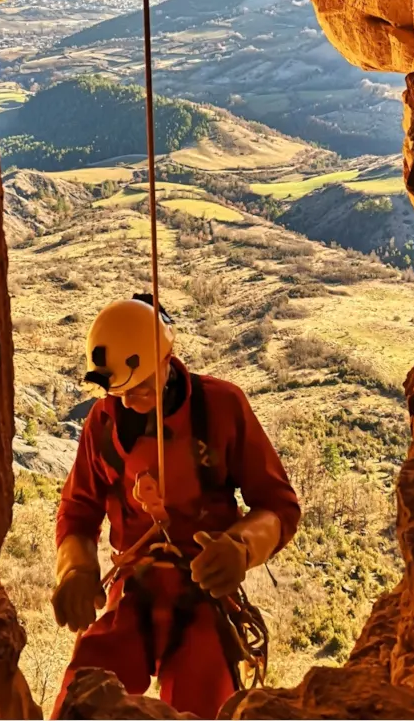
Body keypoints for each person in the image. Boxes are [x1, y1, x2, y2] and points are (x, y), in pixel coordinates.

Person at [50, 295, 300, 719]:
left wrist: (240, 547)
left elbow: (277, 505)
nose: (129, 401)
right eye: (121, 391)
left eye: (142, 386)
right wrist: (74, 568)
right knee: (83, 693)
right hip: (133, 587)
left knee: (203, 699)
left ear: (168, 359)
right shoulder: (104, 424)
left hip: (203, 591)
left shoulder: (221, 408)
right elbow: (79, 510)